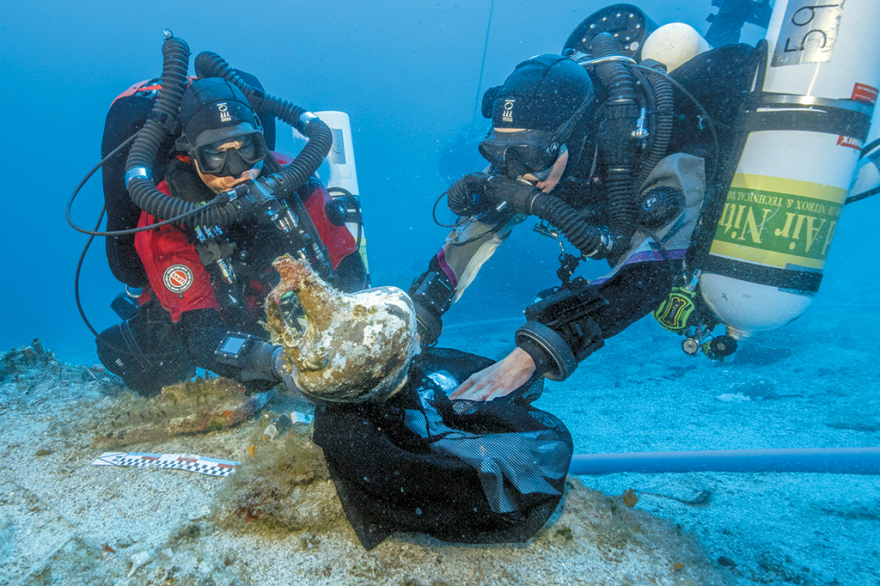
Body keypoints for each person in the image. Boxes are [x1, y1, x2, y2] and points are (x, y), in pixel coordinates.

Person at [409, 50, 712, 402]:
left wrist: (534, 353)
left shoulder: (656, 150)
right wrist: (416, 319)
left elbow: (649, 276)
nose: (518, 172)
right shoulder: (528, 162)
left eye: (532, 155)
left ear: (578, 135)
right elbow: (471, 239)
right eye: (500, 153)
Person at [96, 70, 367, 396]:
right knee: (161, 368)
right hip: (198, 316)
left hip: (263, 305)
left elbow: (349, 270)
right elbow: (200, 336)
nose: (237, 169)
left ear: (261, 142)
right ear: (191, 154)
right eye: (216, 155)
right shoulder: (165, 213)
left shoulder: (294, 179)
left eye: (247, 148)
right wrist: (278, 363)